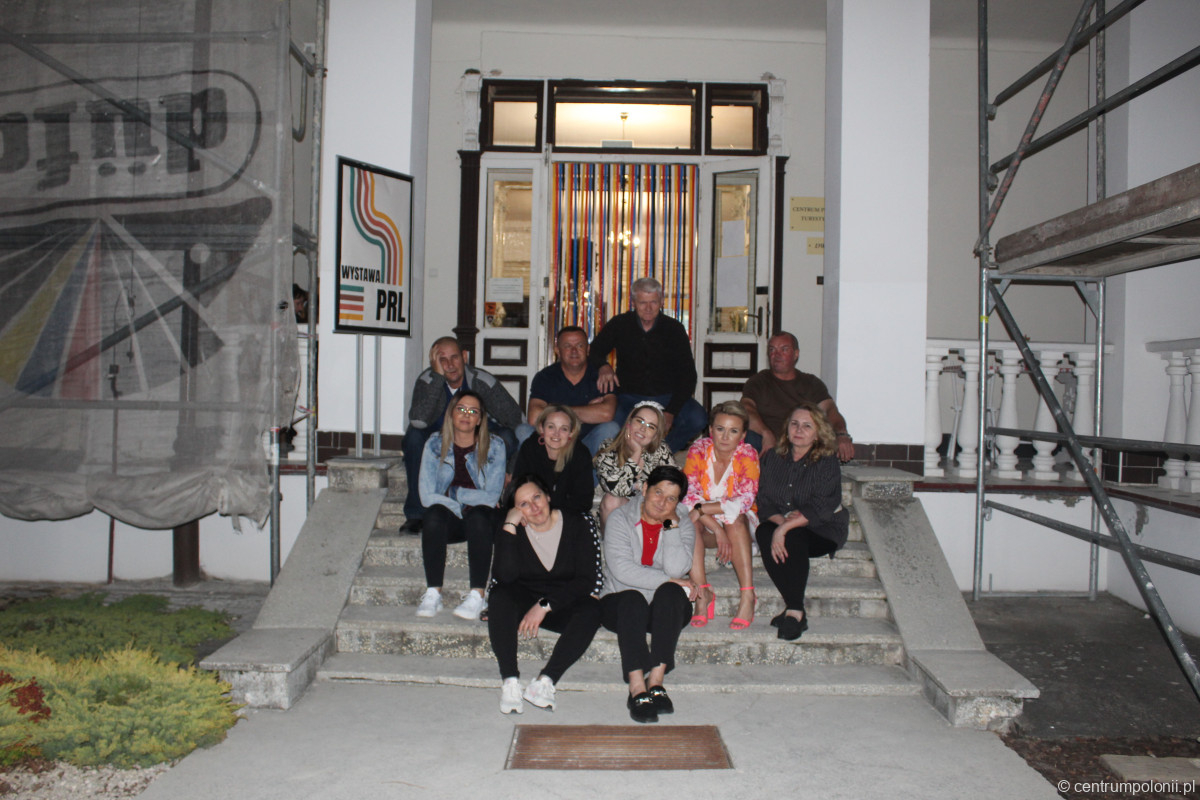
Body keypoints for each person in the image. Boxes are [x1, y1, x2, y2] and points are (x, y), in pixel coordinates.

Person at [489, 474, 603, 714]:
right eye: (523, 504)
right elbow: (504, 576)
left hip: (561, 604)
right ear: (516, 510)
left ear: (548, 496)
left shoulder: (578, 523)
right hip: (523, 602)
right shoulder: (512, 529)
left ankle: (545, 681)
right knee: (500, 595)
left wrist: (544, 605)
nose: (534, 507)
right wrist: (509, 525)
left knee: (592, 609)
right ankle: (510, 681)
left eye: (537, 497)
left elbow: (587, 580)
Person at [599, 465, 697, 723]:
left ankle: (656, 681)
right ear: (645, 489)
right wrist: (670, 580)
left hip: (662, 610)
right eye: (658, 492)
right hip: (621, 604)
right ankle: (636, 687)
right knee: (634, 598)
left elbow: (678, 568)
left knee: (672, 593)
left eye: (671, 498)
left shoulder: (682, 523)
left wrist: (671, 527)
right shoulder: (620, 518)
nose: (662, 502)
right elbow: (622, 571)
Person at [401, 336, 523, 533]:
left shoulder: (482, 381)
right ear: (433, 362)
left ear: (464, 357)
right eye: (442, 359)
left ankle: (490, 501)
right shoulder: (427, 380)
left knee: (507, 437)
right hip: (439, 440)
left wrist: (511, 467)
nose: (449, 365)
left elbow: (516, 419)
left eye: (454, 357)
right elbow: (418, 420)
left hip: (478, 436)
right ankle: (416, 513)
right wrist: (437, 377)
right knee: (414, 437)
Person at [755, 401, 850, 641]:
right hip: (786, 523)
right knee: (764, 532)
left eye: (807, 426)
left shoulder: (827, 461)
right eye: (794, 424)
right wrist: (780, 524)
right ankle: (795, 609)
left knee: (793, 535)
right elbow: (764, 500)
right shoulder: (773, 457)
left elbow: (822, 506)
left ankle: (794, 611)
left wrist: (784, 529)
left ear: (818, 433)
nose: (799, 430)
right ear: (787, 428)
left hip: (823, 529)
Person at [415, 390, 506, 621]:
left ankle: (478, 595)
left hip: (484, 522)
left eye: (473, 411)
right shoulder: (434, 444)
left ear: (480, 419)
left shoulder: (495, 446)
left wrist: (455, 493)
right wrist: (459, 507)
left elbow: (491, 497)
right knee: (433, 514)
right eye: (461, 409)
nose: (466, 415)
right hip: (453, 519)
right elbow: (426, 495)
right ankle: (433, 593)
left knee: (478, 515)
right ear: (451, 414)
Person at [589, 276, 706, 452]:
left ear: (661, 302)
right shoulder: (620, 324)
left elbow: (688, 375)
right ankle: (625, 458)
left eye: (653, 302)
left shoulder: (674, 329)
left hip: (667, 396)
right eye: (643, 303)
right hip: (627, 396)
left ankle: (660, 453)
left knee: (698, 419)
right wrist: (603, 366)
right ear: (633, 303)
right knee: (610, 427)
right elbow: (594, 351)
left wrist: (671, 411)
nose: (649, 308)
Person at [681, 400, 759, 631]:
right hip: (707, 525)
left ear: (742, 435)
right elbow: (689, 497)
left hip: (741, 525)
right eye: (720, 429)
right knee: (689, 522)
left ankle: (748, 596)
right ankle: (703, 593)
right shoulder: (698, 450)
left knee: (734, 519)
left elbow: (744, 500)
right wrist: (716, 528)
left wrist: (703, 509)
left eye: (733, 431)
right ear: (710, 430)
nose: (725, 437)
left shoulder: (748, 454)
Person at [741, 331, 855, 461]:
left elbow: (830, 410)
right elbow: (746, 409)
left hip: (801, 444)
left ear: (796, 354)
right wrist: (765, 433)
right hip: (765, 445)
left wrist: (842, 434)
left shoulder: (811, 383)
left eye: (784, 349)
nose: (776, 354)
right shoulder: (758, 381)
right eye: (772, 349)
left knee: (823, 438)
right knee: (747, 436)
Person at [525, 326, 620, 456]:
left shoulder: (602, 376)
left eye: (580, 346)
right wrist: (587, 411)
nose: (574, 351)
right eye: (567, 346)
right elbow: (534, 417)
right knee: (523, 431)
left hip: (588, 441)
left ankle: (594, 470)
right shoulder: (545, 377)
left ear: (588, 349)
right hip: (554, 441)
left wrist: (553, 410)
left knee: (611, 428)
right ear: (558, 351)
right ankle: (541, 469)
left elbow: (606, 414)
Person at [593, 400, 676, 527]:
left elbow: (672, 488)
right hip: (618, 518)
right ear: (629, 422)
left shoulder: (661, 451)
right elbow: (616, 490)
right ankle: (614, 541)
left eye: (651, 427)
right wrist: (636, 453)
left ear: (655, 436)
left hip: (650, 513)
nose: (643, 429)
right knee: (611, 500)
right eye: (639, 421)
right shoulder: (609, 448)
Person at [510, 405, 595, 516]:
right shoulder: (530, 448)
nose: (556, 434)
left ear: (571, 432)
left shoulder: (581, 454)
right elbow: (518, 488)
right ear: (541, 428)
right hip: (534, 512)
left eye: (564, 429)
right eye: (551, 427)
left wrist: (554, 517)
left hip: (567, 515)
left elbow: (584, 501)